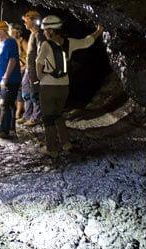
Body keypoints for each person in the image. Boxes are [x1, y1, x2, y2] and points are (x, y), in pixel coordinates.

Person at [36, 15, 104, 156]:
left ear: (51, 31)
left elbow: (39, 64)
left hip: (48, 86)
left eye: (46, 30)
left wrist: (42, 78)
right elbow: (87, 42)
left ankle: (52, 149)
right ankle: (66, 143)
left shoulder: (46, 44)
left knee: (48, 118)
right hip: (64, 86)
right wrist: (99, 31)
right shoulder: (69, 42)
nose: (44, 33)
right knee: (58, 114)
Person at [0, 20, 22, 138]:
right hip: (5, 78)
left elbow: (12, 60)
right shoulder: (4, 43)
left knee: (5, 104)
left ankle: (4, 132)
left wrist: (5, 78)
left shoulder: (10, 42)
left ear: (1, 31)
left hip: (10, 80)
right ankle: (11, 129)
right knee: (10, 105)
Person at [20, 10, 44, 127]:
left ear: (34, 21)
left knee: (35, 93)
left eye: (27, 20)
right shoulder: (31, 34)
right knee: (26, 92)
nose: (24, 22)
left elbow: (40, 54)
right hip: (28, 70)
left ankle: (36, 117)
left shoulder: (39, 35)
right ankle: (27, 115)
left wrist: (37, 72)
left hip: (34, 71)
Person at [10, 23, 28, 120]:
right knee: (14, 90)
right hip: (13, 69)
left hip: (21, 69)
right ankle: (16, 110)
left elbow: (29, 55)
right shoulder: (10, 42)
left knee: (20, 90)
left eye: (14, 31)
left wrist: (24, 66)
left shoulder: (22, 42)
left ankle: (19, 111)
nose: (12, 33)